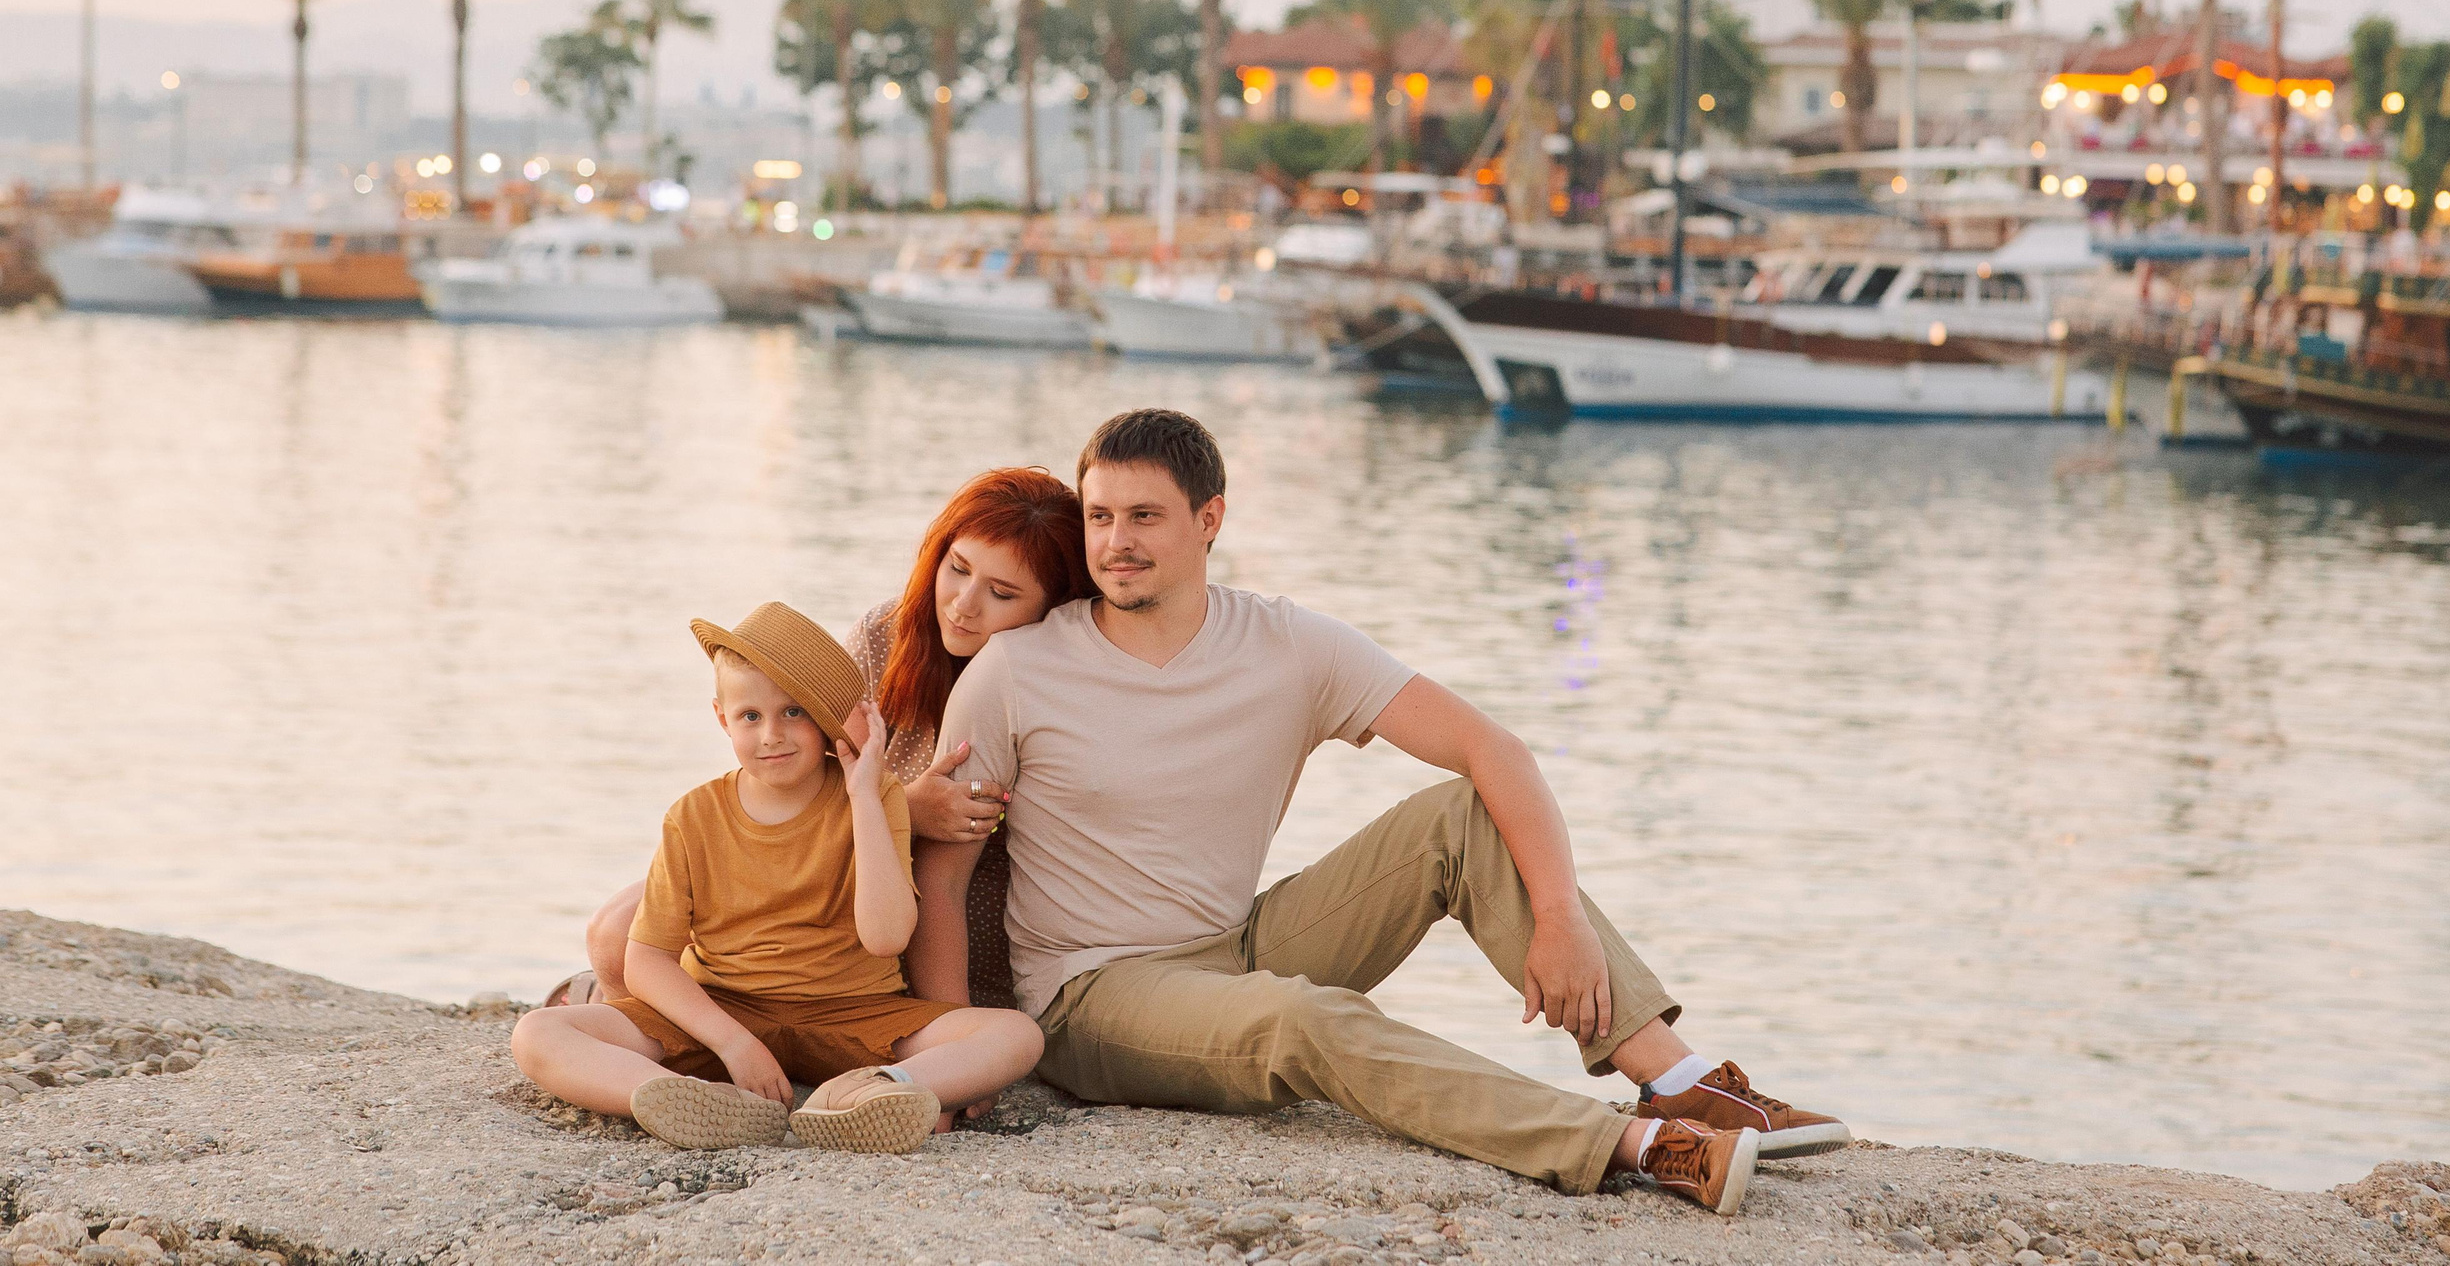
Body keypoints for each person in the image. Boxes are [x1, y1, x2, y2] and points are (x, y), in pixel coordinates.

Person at [917, 409, 1848, 1219]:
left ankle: (1679, 1079)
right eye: (1101, 516)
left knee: (1458, 817)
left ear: (1210, 520)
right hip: (1094, 997)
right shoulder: (1019, 671)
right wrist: (955, 1060)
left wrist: (1558, 916)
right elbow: (944, 877)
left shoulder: (1287, 645)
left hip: (1236, 945)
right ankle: (1633, 1149)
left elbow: (1494, 751)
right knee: (1302, 1019)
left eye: (1145, 516)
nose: (1117, 541)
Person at [552, 468, 1094, 1019]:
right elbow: (781, 778)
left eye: (1001, 592)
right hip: (822, 880)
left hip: (945, 918)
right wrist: (904, 810)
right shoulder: (886, 632)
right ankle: (662, 1034)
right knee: (613, 934)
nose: (962, 604)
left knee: (629, 944)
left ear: (1053, 608)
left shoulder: (1046, 684)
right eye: (957, 569)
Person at [510, 603, 1044, 1151]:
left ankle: (873, 1093)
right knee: (537, 1033)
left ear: (825, 719)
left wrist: (863, 794)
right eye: (750, 717)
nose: (772, 735)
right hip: (724, 1007)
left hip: (855, 1015)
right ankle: (682, 1098)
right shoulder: (693, 816)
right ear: (722, 718)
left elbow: (886, 937)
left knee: (1015, 1036)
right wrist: (734, 1044)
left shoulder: (873, 796)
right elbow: (646, 959)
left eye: (794, 713)